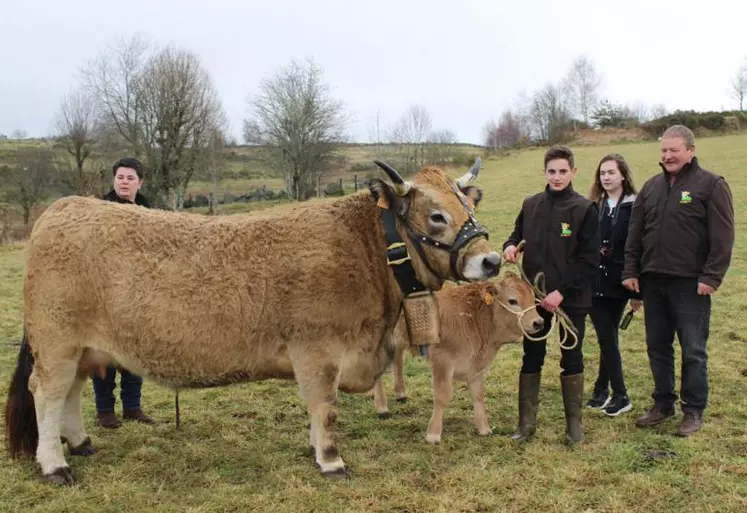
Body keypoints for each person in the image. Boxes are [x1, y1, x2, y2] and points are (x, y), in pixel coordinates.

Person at [623, 125, 734, 437]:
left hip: (690, 285)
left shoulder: (711, 185)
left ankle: (693, 410)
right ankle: (663, 403)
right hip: (653, 282)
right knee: (657, 346)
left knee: (693, 350)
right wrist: (631, 271)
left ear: (691, 150)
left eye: (674, 150)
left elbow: (723, 237)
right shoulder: (651, 187)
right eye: (664, 150)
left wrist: (711, 277)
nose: (668, 156)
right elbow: (635, 234)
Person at [503, 145, 599, 445]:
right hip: (535, 299)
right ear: (544, 172)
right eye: (551, 171)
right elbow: (516, 235)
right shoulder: (531, 204)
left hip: (571, 299)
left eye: (562, 171)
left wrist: (561, 292)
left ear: (573, 172)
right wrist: (510, 245)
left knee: (571, 356)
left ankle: (574, 428)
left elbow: (589, 259)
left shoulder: (584, 209)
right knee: (532, 355)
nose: (557, 177)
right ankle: (526, 425)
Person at [92, 157, 155, 428]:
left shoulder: (149, 211)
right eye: (120, 177)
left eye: (130, 178)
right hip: (107, 292)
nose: (125, 182)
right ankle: (105, 410)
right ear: (113, 180)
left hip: (139, 293)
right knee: (104, 352)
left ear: (140, 183)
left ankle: (132, 406)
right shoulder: (101, 210)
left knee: (134, 353)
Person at [586, 154, 642, 417]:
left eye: (611, 172)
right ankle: (602, 389)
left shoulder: (635, 206)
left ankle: (620, 395)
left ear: (623, 175)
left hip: (621, 282)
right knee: (607, 337)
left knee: (609, 337)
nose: (606, 177)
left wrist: (638, 291)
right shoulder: (594, 206)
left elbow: (639, 248)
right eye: (602, 173)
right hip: (595, 281)